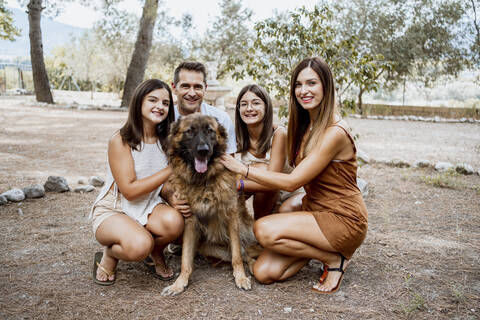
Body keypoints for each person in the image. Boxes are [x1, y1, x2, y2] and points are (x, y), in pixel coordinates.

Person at [220, 57, 368, 294]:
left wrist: (242, 170)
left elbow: (292, 182)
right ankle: (323, 251)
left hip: (343, 218)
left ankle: (333, 259)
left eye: (311, 83)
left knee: (263, 229)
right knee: (263, 272)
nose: (303, 90)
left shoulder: (335, 132)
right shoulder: (306, 125)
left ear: (326, 86)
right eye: (298, 85)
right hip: (313, 209)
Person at [89, 79, 184, 285]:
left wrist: (172, 197)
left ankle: (156, 252)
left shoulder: (166, 140)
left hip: (147, 206)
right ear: (139, 102)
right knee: (140, 245)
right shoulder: (121, 139)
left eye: (166, 103)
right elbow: (130, 191)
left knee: (176, 221)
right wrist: (171, 168)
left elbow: (161, 185)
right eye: (153, 100)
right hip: (115, 208)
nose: (160, 106)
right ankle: (111, 255)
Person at [162, 61, 236, 217]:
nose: (192, 92)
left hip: (208, 188)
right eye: (185, 86)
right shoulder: (163, 118)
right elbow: (150, 167)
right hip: (172, 187)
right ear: (174, 88)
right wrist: (169, 195)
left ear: (205, 88)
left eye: (197, 87)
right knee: (173, 225)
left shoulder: (220, 119)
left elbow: (229, 165)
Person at [234, 84, 304, 220]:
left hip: (290, 191)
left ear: (266, 107)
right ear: (238, 109)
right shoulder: (236, 138)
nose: (249, 109)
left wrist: (238, 184)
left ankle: (264, 221)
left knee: (263, 174)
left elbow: (272, 180)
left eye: (256, 103)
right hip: (263, 190)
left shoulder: (279, 134)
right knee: (240, 177)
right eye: (243, 104)